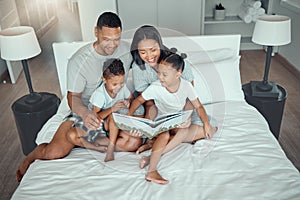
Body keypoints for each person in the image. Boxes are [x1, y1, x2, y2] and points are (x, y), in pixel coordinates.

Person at [16, 12, 147, 182]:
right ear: (96, 32)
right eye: (107, 39)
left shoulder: (126, 50)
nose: (113, 45)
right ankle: (35, 153)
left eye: (116, 39)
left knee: (133, 143)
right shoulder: (79, 61)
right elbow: (73, 98)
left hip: (116, 111)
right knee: (54, 153)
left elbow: (149, 64)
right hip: (89, 111)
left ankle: (93, 140)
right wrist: (85, 114)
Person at [128, 52, 218, 184]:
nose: (160, 77)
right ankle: (152, 170)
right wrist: (130, 116)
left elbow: (198, 106)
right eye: (159, 73)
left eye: (165, 75)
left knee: (210, 128)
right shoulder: (156, 87)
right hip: (162, 120)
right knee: (164, 135)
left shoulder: (186, 86)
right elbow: (138, 101)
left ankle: (149, 157)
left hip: (179, 119)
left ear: (178, 74)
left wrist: (205, 123)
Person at [69, 58, 145, 162]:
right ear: (104, 80)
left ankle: (125, 133)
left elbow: (131, 98)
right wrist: (112, 109)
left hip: (113, 124)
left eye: (121, 83)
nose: (118, 87)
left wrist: (128, 101)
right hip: (99, 122)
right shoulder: (100, 95)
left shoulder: (122, 88)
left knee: (137, 113)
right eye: (114, 84)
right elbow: (96, 116)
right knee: (72, 136)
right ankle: (107, 148)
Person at [130, 25, 194, 120]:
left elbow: (190, 97)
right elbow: (148, 101)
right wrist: (149, 118)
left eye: (153, 50)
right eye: (143, 52)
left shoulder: (177, 61)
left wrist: (186, 116)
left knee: (184, 130)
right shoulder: (139, 68)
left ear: (160, 45)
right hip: (157, 108)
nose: (149, 56)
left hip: (181, 107)